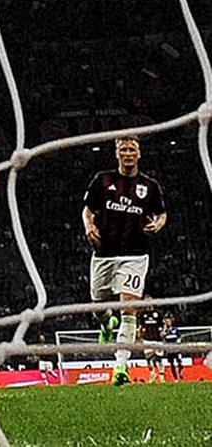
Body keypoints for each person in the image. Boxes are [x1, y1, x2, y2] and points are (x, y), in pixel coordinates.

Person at [82, 135, 168, 386]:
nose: (128, 153)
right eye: (124, 149)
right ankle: (106, 324)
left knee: (129, 310)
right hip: (104, 254)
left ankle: (120, 367)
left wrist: (159, 224)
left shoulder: (149, 186)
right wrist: (89, 226)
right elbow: (87, 209)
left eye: (132, 149)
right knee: (98, 306)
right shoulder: (103, 180)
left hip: (135, 255)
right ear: (117, 153)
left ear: (138, 154)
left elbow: (161, 213)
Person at [137, 298, 164, 383]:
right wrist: (139, 334)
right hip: (147, 339)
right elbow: (140, 326)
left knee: (159, 358)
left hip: (157, 339)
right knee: (148, 358)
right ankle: (152, 374)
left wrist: (163, 331)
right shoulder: (142, 314)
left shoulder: (158, 314)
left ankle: (161, 376)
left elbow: (163, 325)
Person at [162, 314, 183, 382]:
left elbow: (179, 336)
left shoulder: (175, 329)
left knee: (180, 363)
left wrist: (178, 342)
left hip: (176, 348)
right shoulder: (164, 330)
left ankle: (180, 371)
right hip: (169, 349)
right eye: (166, 321)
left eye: (168, 321)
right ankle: (175, 378)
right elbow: (162, 337)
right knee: (172, 364)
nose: (167, 322)